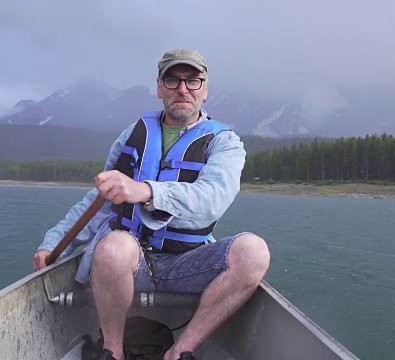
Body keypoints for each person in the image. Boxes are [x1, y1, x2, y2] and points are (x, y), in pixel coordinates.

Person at [34, 48, 270, 360]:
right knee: (114, 244)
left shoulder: (225, 143)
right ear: (159, 88)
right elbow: (99, 201)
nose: (182, 89)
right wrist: (53, 245)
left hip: (189, 263)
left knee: (253, 252)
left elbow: (211, 201)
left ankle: (180, 351)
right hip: (130, 262)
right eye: (172, 81)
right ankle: (113, 352)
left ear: (205, 89)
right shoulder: (134, 134)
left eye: (193, 81)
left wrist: (145, 190)